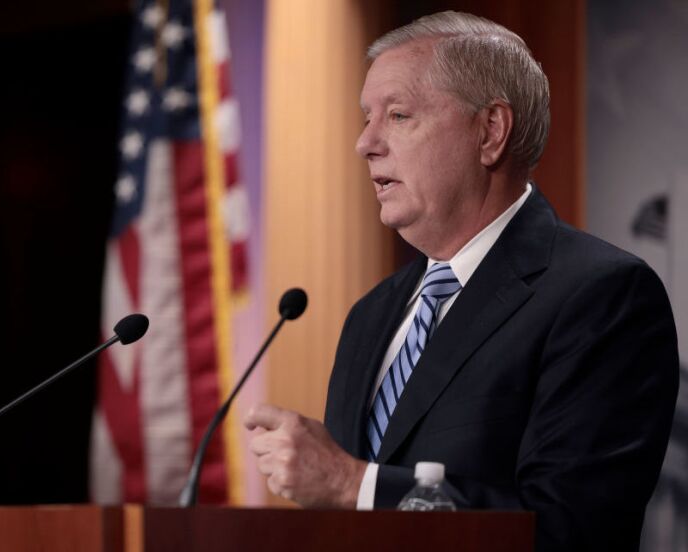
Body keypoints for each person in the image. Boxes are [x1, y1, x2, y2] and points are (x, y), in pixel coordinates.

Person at [244, 11, 679, 552]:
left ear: (490, 131)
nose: (365, 144)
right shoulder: (371, 315)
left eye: (399, 115)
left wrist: (349, 482)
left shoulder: (603, 297)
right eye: (366, 118)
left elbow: (572, 531)